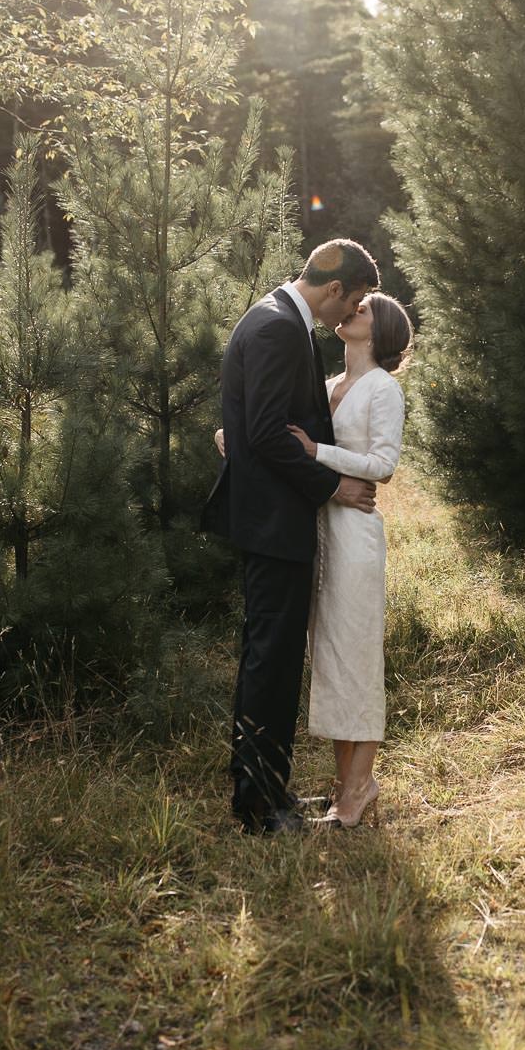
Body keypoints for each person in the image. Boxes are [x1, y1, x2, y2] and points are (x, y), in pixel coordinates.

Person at [201, 239, 380, 835]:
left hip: (270, 519)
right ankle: (258, 808)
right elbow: (269, 434)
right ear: (334, 289)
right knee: (270, 664)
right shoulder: (279, 327)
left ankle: (267, 789)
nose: (346, 315)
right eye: (350, 301)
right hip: (274, 523)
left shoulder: (277, 318)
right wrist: (334, 487)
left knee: (271, 660)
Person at [291, 292, 412, 829]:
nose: (350, 311)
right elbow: (288, 440)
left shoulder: (385, 389)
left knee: (357, 656)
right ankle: (348, 785)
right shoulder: (326, 387)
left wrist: (320, 454)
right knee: (331, 657)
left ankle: (360, 786)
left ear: (379, 329)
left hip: (357, 534)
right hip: (318, 530)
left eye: (362, 310)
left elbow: (382, 465)